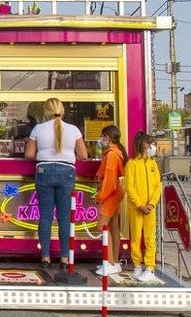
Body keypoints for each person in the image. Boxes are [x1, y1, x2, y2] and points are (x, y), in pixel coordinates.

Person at [24, 97, 87, 267]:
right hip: (66, 172)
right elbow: (83, 155)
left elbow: (29, 154)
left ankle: (45, 257)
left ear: (46, 111)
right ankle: (65, 258)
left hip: (44, 172)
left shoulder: (38, 128)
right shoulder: (73, 129)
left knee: (45, 216)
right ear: (62, 110)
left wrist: (44, 155)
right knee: (64, 218)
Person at [125, 131, 163, 283]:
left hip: (150, 208)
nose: (151, 147)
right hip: (136, 208)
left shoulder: (153, 164)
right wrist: (140, 205)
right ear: (142, 145)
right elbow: (129, 187)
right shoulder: (131, 164)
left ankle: (149, 267)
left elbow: (157, 186)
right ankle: (137, 265)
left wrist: (152, 203)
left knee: (150, 238)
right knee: (136, 238)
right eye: (149, 144)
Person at [93, 124, 127, 277]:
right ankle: (114, 261)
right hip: (116, 192)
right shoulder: (116, 153)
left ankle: (110, 262)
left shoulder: (111, 155)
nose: (101, 139)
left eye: (103, 136)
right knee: (113, 226)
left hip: (111, 193)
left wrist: (99, 196)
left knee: (102, 225)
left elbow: (109, 180)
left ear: (108, 137)